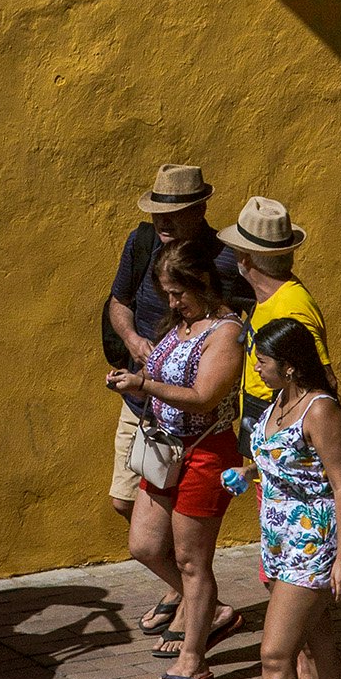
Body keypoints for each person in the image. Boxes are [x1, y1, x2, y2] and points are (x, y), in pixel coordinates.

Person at [104, 164, 254, 647]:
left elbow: (231, 329)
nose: (162, 222)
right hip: (146, 406)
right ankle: (187, 591)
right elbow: (118, 302)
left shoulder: (226, 260)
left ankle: (196, 604)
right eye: (157, 212)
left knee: (183, 537)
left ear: (200, 209)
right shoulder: (142, 242)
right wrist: (133, 341)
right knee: (126, 504)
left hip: (193, 424)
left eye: (173, 213)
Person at [214, 317, 341, 679]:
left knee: (275, 654)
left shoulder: (319, 411)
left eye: (263, 359)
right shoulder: (278, 401)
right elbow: (288, 461)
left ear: (291, 365)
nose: (255, 365)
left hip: (312, 545)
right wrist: (250, 472)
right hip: (279, 542)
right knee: (319, 645)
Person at [106, 246, 245, 679]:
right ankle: (215, 610)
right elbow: (163, 368)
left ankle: (193, 657)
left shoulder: (225, 332)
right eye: (166, 294)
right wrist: (132, 374)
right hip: (167, 449)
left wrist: (144, 383)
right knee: (145, 545)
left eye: (178, 293)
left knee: (191, 560)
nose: (172, 303)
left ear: (203, 284)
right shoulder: (181, 325)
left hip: (204, 453)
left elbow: (205, 395)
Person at [218, 194, 335, 679]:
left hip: (293, 471)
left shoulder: (290, 309)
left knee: (291, 584)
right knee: (279, 579)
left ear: (246, 262)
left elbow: (319, 387)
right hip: (271, 457)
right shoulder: (271, 304)